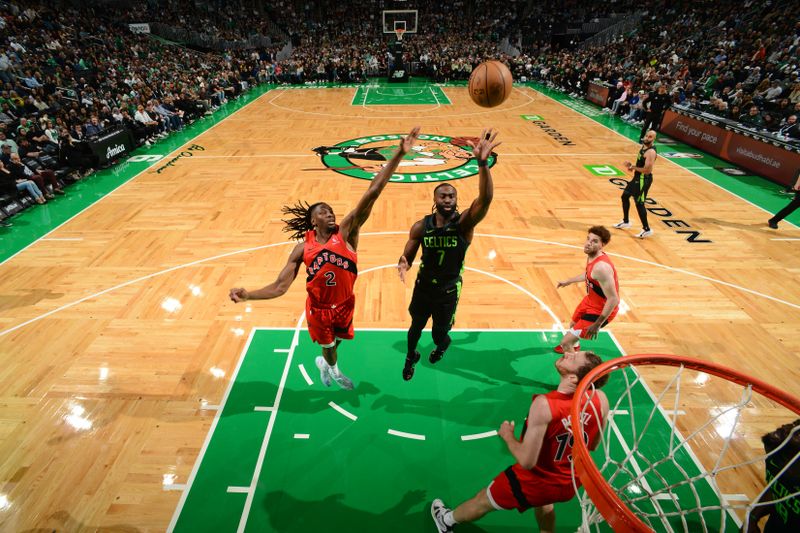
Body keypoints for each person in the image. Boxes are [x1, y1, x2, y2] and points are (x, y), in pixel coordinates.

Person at [229, 127, 421, 390]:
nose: (330, 213)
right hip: (318, 310)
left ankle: (327, 359)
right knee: (330, 348)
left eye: (331, 210)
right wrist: (249, 295)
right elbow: (279, 287)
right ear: (312, 220)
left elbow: (373, 192)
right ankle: (332, 368)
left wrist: (399, 153)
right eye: (323, 212)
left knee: (337, 341)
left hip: (345, 303)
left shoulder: (346, 232)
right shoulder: (301, 250)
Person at [431, 350, 610, 533]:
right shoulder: (601, 400)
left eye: (574, 358)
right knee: (545, 504)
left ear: (573, 379)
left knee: (483, 500)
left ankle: (445, 520)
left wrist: (508, 435)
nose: (569, 353)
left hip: (534, 483)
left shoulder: (545, 404)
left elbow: (527, 461)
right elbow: (593, 445)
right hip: (570, 482)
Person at [397, 129, 501, 381]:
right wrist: (403, 264)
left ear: (456, 199)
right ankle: (411, 356)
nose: (448, 199)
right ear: (434, 199)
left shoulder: (464, 223)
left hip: (448, 291)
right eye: (443, 195)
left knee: (438, 335)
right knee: (415, 328)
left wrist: (483, 164)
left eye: (452, 195)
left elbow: (485, 199)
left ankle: (442, 347)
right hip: (423, 287)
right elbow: (408, 255)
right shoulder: (421, 226)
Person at [554, 226, 619, 354]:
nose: (588, 243)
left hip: (601, 310)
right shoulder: (592, 256)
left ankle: (577, 369)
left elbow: (613, 299)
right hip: (590, 301)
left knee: (565, 343)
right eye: (588, 239)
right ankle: (576, 345)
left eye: (594, 241)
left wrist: (598, 323)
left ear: (602, 245)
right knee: (573, 323)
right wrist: (569, 281)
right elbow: (589, 275)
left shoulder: (601, 268)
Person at [745, 419, 800, 532]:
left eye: (799, 433)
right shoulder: (777, 456)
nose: (785, 426)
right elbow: (776, 487)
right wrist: (753, 517)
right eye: (794, 424)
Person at [614, 129, 658, 238]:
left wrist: (633, 167)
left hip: (644, 180)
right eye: (647, 136)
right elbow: (641, 165)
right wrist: (632, 166)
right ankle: (626, 221)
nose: (647, 138)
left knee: (639, 203)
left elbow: (647, 170)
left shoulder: (651, 152)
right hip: (638, 177)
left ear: (654, 139)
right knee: (625, 196)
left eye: (650, 137)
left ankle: (647, 229)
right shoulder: (643, 147)